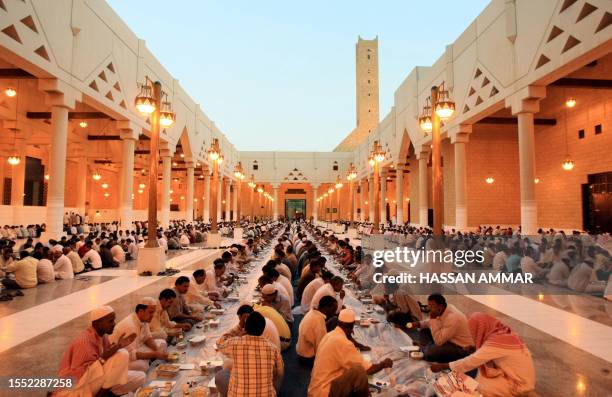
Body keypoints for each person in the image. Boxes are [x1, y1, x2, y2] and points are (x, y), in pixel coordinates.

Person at [430, 312, 536, 397]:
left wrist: (443, 366)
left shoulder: (496, 343)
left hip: (519, 385)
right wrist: (474, 349)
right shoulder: (503, 333)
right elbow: (488, 353)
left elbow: (471, 361)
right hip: (513, 376)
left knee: (480, 385)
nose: (473, 334)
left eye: (474, 331)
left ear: (480, 328)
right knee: (474, 379)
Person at [56, 306, 145, 396]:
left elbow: (108, 360)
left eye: (113, 320)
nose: (114, 324)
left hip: (97, 379)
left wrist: (117, 346)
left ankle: (109, 393)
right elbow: (80, 375)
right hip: (77, 387)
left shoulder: (103, 336)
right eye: (110, 321)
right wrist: (111, 352)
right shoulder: (84, 341)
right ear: (98, 323)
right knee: (122, 354)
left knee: (140, 377)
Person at [308, 309, 393, 397]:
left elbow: (348, 339)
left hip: (315, 388)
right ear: (352, 327)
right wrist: (383, 364)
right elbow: (368, 370)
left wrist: (359, 345)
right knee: (359, 371)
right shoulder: (343, 343)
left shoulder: (329, 335)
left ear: (339, 323)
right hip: (325, 392)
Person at [215, 312, 284, 397]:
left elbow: (219, 343)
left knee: (220, 375)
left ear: (245, 328)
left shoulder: (235, 344)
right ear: (262, 330)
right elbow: (279, 373)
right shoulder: (273, 349)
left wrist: (239, 326)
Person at [409, 293, 473, 363]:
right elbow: (429, 323)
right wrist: (418, 324)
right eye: (428, 305)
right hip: (447, 339)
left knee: (431, 353)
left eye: (431, 306)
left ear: (440, 307)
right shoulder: (443, 309)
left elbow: (438, 341)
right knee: (424, 330)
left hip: (460, 347)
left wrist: (432, 319)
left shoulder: (453, 318)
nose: (429, 308)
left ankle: (425, 349)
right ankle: (426, 348)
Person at [110, 297, 168, 371]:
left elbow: (147, 338)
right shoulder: (129, 325)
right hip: (123, 358)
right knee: (142, 366)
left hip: (138, 348)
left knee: (162, 343)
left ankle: (155, 364)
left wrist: (157, 351)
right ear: (141, 311)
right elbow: (132, 355)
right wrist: (155, 354)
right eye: (150, 312)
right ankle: (148, 365)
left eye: (153, 312)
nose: (153, 315)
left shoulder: (144, 320)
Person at [296, 295, 338, 364]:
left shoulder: (312, 312)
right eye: (333, 310)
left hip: (301, 350)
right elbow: (321, 348)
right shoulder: (318, 322)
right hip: (307, 358)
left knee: (334, 320)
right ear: (326, 308)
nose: (334, 313)